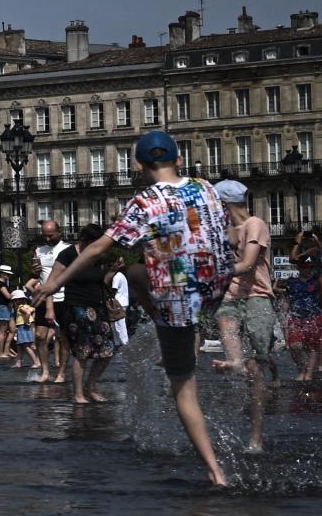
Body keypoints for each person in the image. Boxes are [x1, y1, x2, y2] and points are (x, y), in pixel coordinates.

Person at [32, 130, 230, 486]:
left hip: (177, 298)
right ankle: (174, 328)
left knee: (183, 387)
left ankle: (216, 472)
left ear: (139, 164)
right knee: (137, 270)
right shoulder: (206, 187)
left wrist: (54, 283)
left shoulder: (145, 201)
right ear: (179, 159)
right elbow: (207, 231)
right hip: (215, 286)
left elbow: (96, 250)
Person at [210, 180, 275, 455]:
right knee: (224, 316)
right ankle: (234, 360)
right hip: (232, 294)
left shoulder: (255, 224)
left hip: (258, 296)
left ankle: (256, 438)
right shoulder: (226, 230)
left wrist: (212, 274)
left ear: (224, 202)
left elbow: (247, 263)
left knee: (255, 368)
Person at [58, 221, 117, 406]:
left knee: (107, 350)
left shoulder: (97, 256)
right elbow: (55, 279)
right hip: (76, 306)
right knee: (82, 352)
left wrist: (113, 271)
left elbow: (102, 281)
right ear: (84, 240)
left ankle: (90, 386)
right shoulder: (68, 254)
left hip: (97, 306)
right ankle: (78, 394)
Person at [28, 218, 68, 384]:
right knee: (40, 335)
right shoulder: (39, 251)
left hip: (65, 297)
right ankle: (45, 371)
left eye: (51, 235)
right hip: (45, 297)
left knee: (64, 337)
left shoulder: (68, 249)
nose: (47, 239)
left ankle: (61, 372)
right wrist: (34, 271)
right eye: (45, 236)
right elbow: (36, 275)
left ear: (60, 232)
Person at [283, 224, 322, 385]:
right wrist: (297, 242)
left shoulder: (317, 278)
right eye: (304, 267)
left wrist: (317, 244)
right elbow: (294, 259)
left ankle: (309, 372)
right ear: (299, 268)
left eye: (309, 267)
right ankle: (302, 368)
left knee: (313, 345)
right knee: (296, 345)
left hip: (314, 315)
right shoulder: (292, 281)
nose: (307, 269)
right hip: (297, 317)